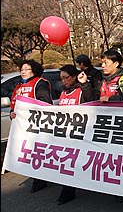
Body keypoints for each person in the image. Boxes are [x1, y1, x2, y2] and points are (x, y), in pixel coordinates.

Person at [9, 59, 53, 193]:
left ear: (34, 70)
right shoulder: (19, 86)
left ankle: (41, 179)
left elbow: (45, 103)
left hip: (36, 125)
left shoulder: (40, 83)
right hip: (22, 126)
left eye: (27, 69)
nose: (23, 72)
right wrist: (13, 113)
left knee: (38, 151)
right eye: (22, 69)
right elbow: (14, 104)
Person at [56, 64, 94, 204]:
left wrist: (84, 85)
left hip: (83, 133)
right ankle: (67, 191)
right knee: (68, 162)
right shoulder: (63, 92)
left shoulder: (81, 89)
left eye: (66, 78)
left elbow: (92, 101)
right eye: (62, 79)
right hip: (67, 134)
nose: (64, 81)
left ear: (73, 77)